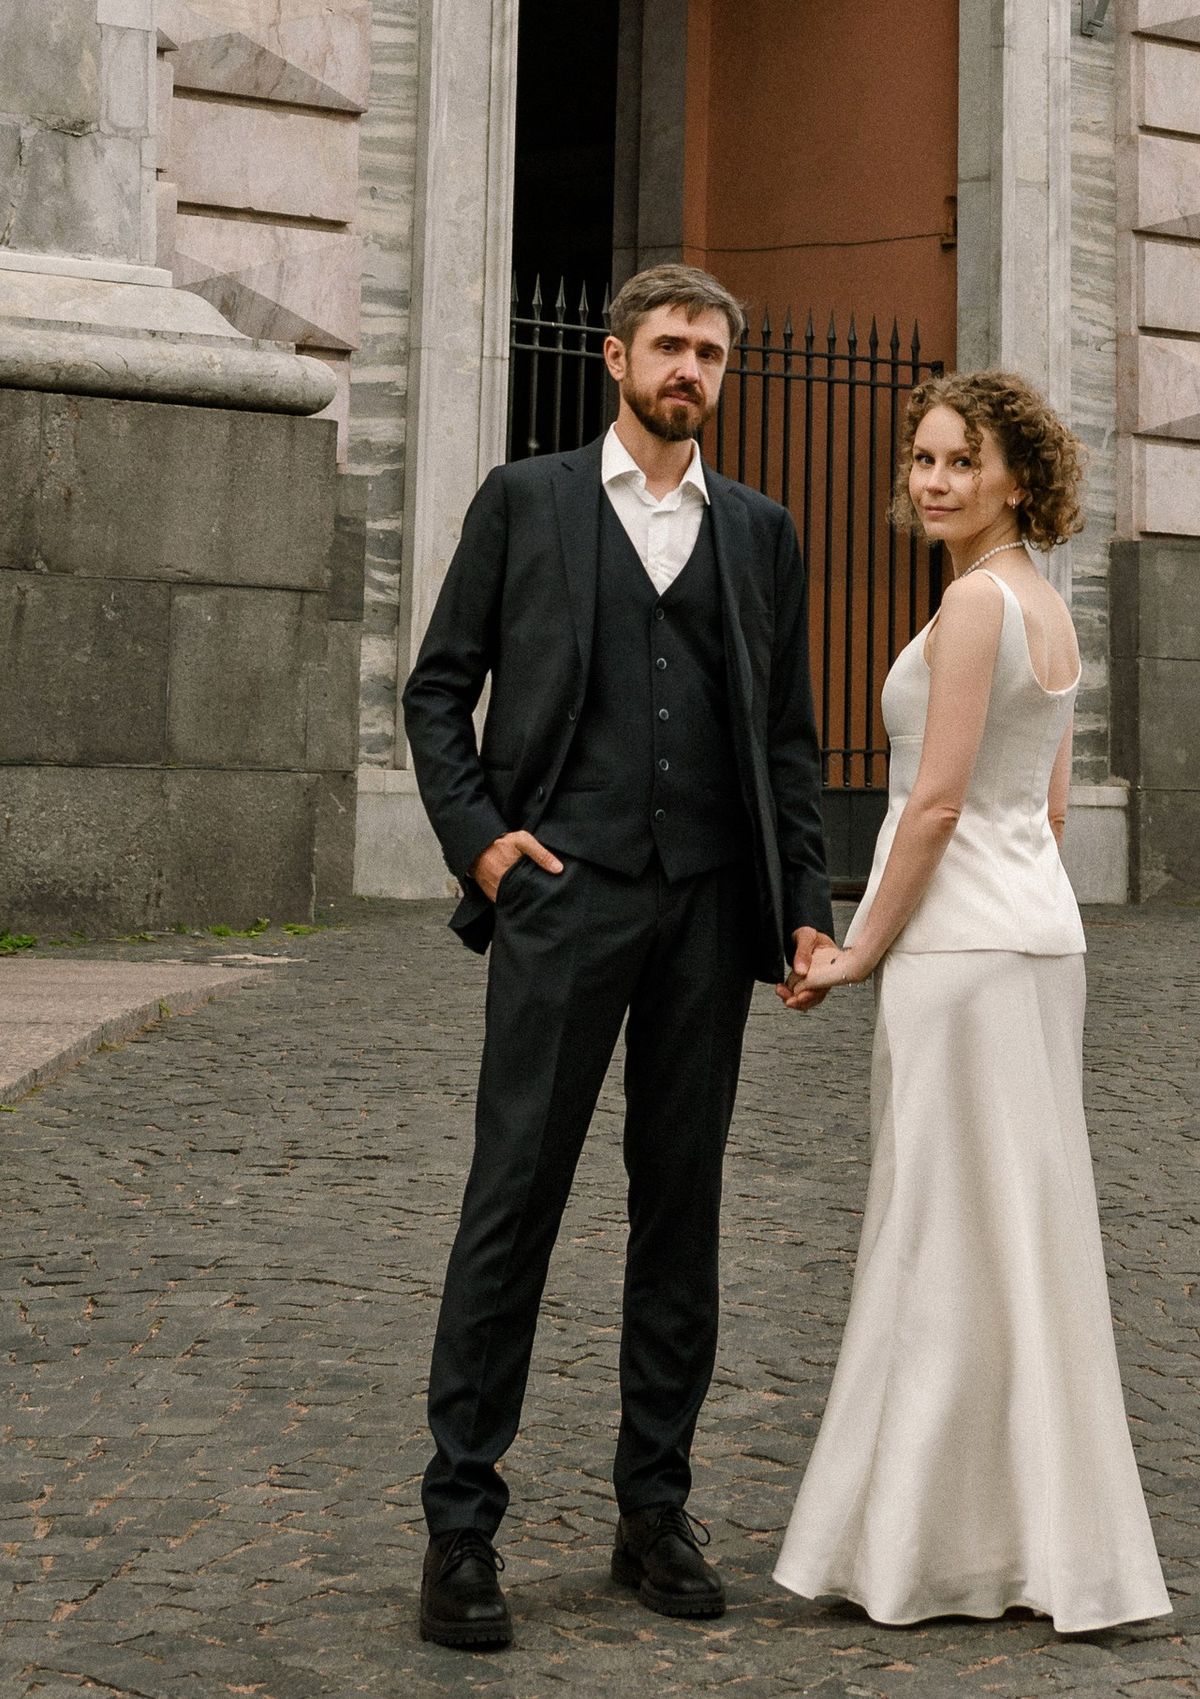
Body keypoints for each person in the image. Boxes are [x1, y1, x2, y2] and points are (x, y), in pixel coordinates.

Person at [402, 262, 835, 1653]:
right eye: (669, 343)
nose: (689, 366)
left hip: (708, 907)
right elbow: (435, 686)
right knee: (513, 1195)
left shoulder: (760, 531)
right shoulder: (527, 500)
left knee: (681, 1205)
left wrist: (802, 906)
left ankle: (655, 1507)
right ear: (613, 355)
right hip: (564, 894)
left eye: (710, 348)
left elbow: (785, 740)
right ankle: (461, 1521)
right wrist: (481, 842)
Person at [774, 370, 1169, 1635]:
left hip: (957, 954)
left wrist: (854, 950)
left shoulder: (968, 606)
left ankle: (922, 1550)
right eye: (923, 458)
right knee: (1023, 1242)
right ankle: (1035, 1547)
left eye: (958, 460)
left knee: (941, 1238)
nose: (931, 479)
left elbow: (934, 806)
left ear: (1014, 477)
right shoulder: (1051, 609)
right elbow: (1043, 812)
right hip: (1038, 942)